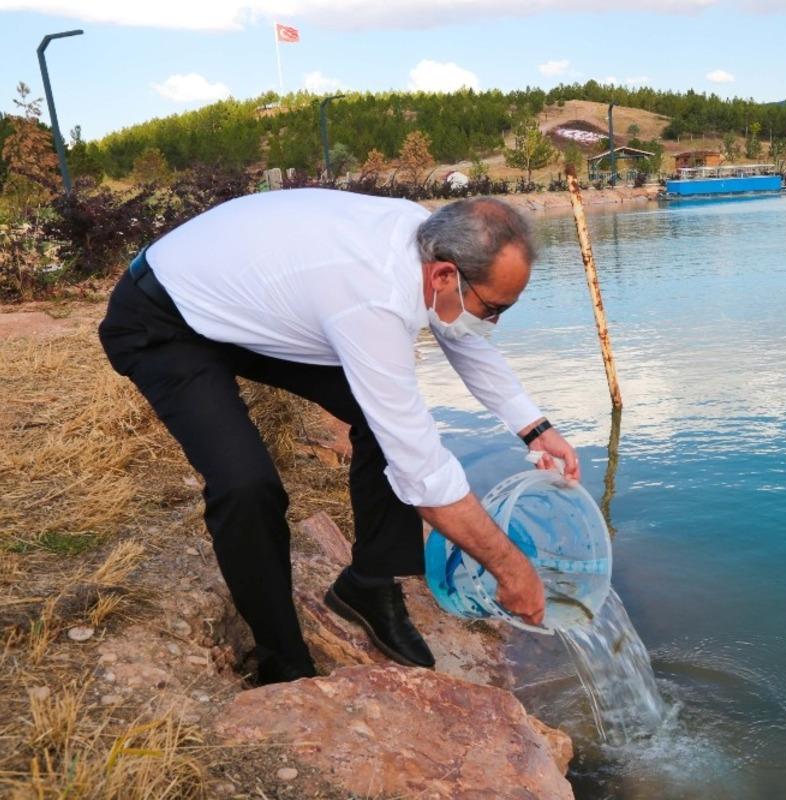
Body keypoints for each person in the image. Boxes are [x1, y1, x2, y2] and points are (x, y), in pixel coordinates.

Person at [97, 189, 580, 684]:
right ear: (443, 275)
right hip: (162, 320)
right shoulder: (374, 297)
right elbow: (424, 475)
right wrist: (513, 571)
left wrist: (534, 428)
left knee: (383, 424)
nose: (493, 321)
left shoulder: (433, 241)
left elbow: (461, 335)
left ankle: (368, 583)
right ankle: (283, 661)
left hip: (252, 305)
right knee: (246, 485)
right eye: (493, 308)